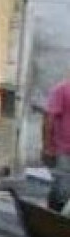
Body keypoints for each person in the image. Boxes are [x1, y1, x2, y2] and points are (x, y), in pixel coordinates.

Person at [43, 72, 70, 212]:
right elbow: (49, 119)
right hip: (64, 149)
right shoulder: (61, 90)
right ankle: (53, 215)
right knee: (62, 189)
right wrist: (48, 146)